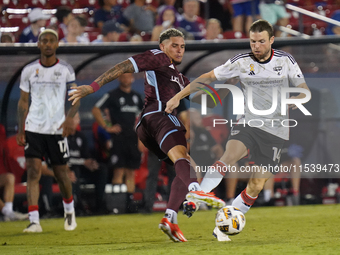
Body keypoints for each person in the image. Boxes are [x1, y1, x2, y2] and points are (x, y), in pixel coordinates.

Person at [69, 28, 225, 242]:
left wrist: (228, 85)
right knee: (185, 162)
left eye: (182, 47)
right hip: (160, 115)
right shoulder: (158, 56)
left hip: (148, 126)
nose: (179, 50)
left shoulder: (180, 77)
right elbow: (123, 66)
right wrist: (94, 86)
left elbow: (205, 97)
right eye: (174, 45)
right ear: (163, 46)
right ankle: (195, 190)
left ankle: (170, 217)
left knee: (187, 166)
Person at [165, 20, 311, 241]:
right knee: (228, 157)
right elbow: (207, 78)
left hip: (276, 131)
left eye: (261, 41)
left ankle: (224, 226)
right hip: (248, 123)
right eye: (253, 41)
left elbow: (304, 92)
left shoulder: (286, 60)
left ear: (271, 40)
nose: (256, 46)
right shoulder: (241, 62)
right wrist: (178, 96)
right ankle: (196, 198)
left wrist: (292, 100)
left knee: (256, 184)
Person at [17, 29, 79, 233]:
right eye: (44, 41)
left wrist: (70, 118)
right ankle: (34, 220)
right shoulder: (29, 70)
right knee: (33, 172)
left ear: (57, 44)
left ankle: (69, 210)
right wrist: (21, 128)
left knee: (61, 173)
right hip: (33, 128)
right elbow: (23, 101)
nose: (48, 44)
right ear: (39, 44)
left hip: (56, 129)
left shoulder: (66, 70)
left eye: (52, 41)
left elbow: (75, 97)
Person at [91, 73, 143, 213]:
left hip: (132, 138)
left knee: (131, 172)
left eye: (128, 77)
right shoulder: (112, 95)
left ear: (132, 79)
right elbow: (96, 109)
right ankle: (116, 203)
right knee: (118, 170)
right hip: (118, 138)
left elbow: (143, 117)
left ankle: (129, 203)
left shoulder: (137, 97)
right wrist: (107, 127)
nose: (126, 79)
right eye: (123, 77)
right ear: (119, 79)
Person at [67, 113, 108, 214]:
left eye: (75, 118)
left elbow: (86, 156)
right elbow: (63, 160)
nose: (73, 121)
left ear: (79, 121)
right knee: (74, 170)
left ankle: (99, 205)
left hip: (82, 167)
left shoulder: (81, 137)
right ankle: (77, 205)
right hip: (68, 168)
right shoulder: (62, 137)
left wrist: (91, 163)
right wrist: (83, 162)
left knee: (101, 169)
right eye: (71, 118)